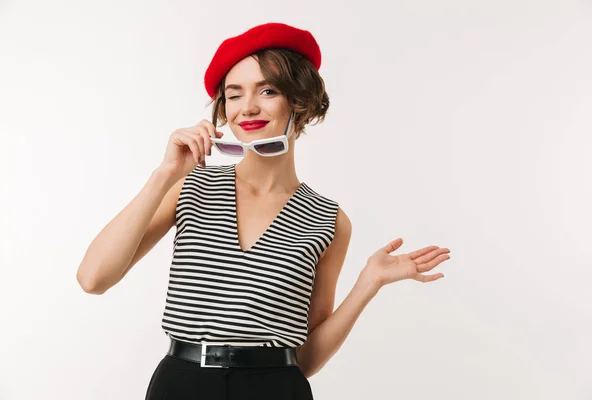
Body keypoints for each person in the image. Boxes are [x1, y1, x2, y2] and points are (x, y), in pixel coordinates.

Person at [76, 22, 451, 400]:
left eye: (267, 90)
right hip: (181, 385)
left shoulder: (329, 220)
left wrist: (368, 283)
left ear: (299, 102)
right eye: (234, 95)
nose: (248, 107)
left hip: (274, 389)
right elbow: (94, 278)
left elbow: (304, 359)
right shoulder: (189, 187)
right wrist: (165, 174)